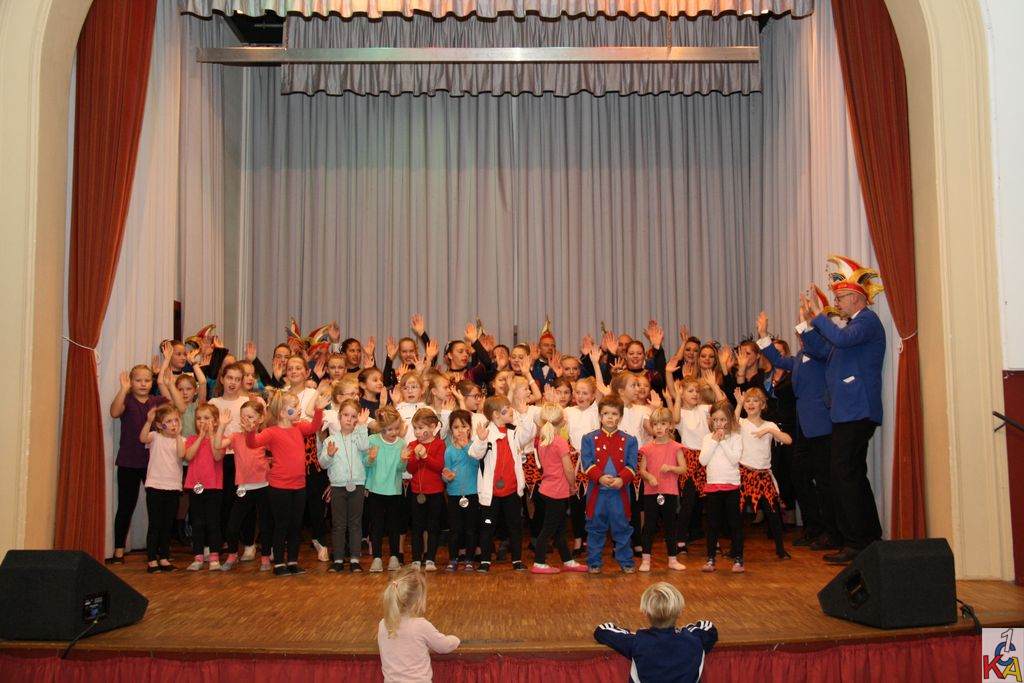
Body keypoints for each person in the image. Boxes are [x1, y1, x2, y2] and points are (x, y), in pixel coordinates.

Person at [805, 254, 886, 564]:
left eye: (840, 297)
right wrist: (807, 324)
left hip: (856, 410)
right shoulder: (852, 328)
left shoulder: (866, 322)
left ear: (856, 297)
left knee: (844, 476)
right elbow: (823, 350)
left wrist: (819, 317)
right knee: (852, 475)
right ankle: (868, 537)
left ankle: (856, 542)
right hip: (847, 411)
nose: (837, 302)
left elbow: (837, 338)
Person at [756, 305, 839, 550]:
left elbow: (815, 346)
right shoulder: (800, 357)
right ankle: (813, 527)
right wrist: (763, 335)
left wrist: (806, 322)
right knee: (800, 477)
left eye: (807, 332)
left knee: (824, 481)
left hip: (821, 425)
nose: (802, 336)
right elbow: (778, 360)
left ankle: (831, 532)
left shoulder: (823, 352)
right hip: (804, 427)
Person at [246, 389, 328, 576]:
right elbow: (253, 443)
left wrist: (319, 410)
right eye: (294, 407)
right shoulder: (271, 432)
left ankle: (292, 561)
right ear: (282, 412)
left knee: (295, 525)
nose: (298, 410)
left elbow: (314, 427)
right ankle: (279, 563)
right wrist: (250, 431)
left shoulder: (298, 427)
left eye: (298, 407)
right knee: (281, 525)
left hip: (299, 485)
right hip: (279, 487)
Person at [594, 582, 718, 683]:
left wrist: (630, 632)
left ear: (645, 612)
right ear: (680, 611)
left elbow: (602, 630)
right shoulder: (695, 639)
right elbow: (708, 627)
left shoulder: (638, 641)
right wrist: (687, 629)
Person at [469, 395, 537, 573]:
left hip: (512, 490)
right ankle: (485, 561)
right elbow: (475, 453)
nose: (512, 411)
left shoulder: (514, 431)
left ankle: (517, 560)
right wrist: (481, 440)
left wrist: (524, 415)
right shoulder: (485, 433)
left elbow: (529, 433)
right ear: (496, 415)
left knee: (515, 526)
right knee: (487, 526)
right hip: (491, 492)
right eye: (507, 410)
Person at [108, 365, 167, 564]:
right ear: (131, 382)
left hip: (153, 463)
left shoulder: (156, 401)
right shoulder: (127, 399)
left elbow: (177, 406)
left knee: (156, 509)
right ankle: (118, 550)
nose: (143, 384)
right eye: (138, 380)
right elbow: (114, 412)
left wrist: (162, 379)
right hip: (128, 461)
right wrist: (123, 389)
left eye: (147, 380)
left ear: (152, 382)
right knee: (126, 506)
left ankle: (157, 551)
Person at [581, 395, 638, 574]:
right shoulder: (589, 439)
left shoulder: (630, 440)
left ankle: (626, 561)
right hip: (597, 493)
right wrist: (599, 477)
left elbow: (632, 465)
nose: (610, 417)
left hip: (619, 493)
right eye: (606, 413)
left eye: (614, 414)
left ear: (620, 417)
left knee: (622, 528)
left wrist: (621, 479)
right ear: (600, 416)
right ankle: (594, 562)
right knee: (595, 528)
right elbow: (587, 463)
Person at [735, 388, 792, 561]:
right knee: (737, 515)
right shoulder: (742, 423)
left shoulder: (770, 425)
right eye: (748, 401)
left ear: (763, 404)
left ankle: (780, 550)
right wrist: (738, 404)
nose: (751, 404)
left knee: (773, 513)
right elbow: (731, 425)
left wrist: (770, 431)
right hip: (744, 474)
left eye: (755, 400)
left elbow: (788, 440)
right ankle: (735, 550)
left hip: (763, 476)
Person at [531, 403, 587, 574]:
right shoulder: (560, 442)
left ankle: (568, 560)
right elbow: (568, 469)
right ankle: (539, 563)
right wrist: (573, 485)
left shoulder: (543, 440)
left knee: (560, 529)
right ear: (561, 421)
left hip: (549, 489)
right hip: (556, 492)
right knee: (549, 529)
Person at [378, 566, 460, 683]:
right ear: (418, 601)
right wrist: (455, 639)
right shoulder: (421, 626)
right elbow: (444, 646)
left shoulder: (383, 624)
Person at [219, 400, 274, 572]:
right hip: (244, 488)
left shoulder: (264, 437)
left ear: (260, 418)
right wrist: (222, 426)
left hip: (264, 485)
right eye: (243, 417)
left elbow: (275, 454)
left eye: (250, 417)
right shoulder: (236, 437)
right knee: (232, 525)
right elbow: (218, 445)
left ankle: (265, 557)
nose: (246, 420)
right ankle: (232, 554)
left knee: (265, 525)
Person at [319, 399, 371, 573]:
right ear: (339, 417)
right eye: (346, 415)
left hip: (357, 485)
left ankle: (355, 559)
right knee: (339, 524)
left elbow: (365, 446)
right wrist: (329, 455)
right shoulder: (330, 440)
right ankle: (338, 559)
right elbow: (323, 464)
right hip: (338, 486)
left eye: (354, 416)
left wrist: (362, 426)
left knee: (355, 523)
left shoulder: (359, 436)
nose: (349, 419)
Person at [638, 407, 688, 572]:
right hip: (651, 493)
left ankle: (672, 560)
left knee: (670, 526)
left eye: (663, 424)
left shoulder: (676, 447)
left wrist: (671, 468)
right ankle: (646, 560)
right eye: (655, 424)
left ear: (670, 425)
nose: (659, 427)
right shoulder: (647, 448)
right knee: (649, 526)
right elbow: (642, 470)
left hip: (669, 492)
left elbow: (683, 468)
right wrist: (649, 477)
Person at [699, 401, 744, 573]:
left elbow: (734, 459)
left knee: (734, 524)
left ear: (730, 420)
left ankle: (738, 558)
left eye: (723, 420)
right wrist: (714, 441)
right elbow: (703, 461)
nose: (719, 423)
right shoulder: (707, 438)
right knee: (712, 525)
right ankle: (711, 558)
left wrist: (723, 441)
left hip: (731, 486)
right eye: (716, 419)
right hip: (713, 486)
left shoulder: (736, 437)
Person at [140, 404, 184, 573]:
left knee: (167, 524)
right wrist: (148, 421)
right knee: (155, 524)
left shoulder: (181, 440)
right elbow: (142, 438)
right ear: (159, 425)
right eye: (169, 421)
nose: (173, 424)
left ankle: (164, 557)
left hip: (173, 487)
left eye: (176, 420)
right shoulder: (155, 437)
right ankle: (152, 559)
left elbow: (181, 454)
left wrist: (178, 435)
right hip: (155, 486)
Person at [365, 406, 408, 572]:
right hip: (376, 490)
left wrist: (403, 460)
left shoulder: (401, 443)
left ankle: (394, 557)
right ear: (382, 428)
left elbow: (401, 469)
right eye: (390, 429)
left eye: (397, 428)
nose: (394, 432)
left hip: (394, 491)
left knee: (394, 526)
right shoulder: (372, 440)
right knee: (376, 525)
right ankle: (376, 557)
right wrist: (371, 458)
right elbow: (366, 464)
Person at [183, 404, 226, 570]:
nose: (202, 421)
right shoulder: (192, 439)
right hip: (196, 487)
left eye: (206, 418)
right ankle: (198, 557)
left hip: (213, 487)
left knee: (213, 523)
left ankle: (214, 556)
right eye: (199, 418)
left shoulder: (220, 439)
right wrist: (200, 438)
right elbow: (188, 456)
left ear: (215, 422)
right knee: (197, 523)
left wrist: (212, 436)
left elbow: (217, 456)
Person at [405, 408, 446, 571]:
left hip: (435, 492)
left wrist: (425, 457)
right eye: (415, 428)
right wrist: (415, 457)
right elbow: (410, 469)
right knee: (417, 527)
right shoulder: (412, 445)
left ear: (433, 426)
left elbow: (439, 467)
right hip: (417, 492)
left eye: (421, 428)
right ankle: (416, 558)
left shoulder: (439, 444)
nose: (417, 432)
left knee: (433, 526)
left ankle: (430, 559)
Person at [442, 410, 479, 572]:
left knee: (471, 529)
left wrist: (465, 447)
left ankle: (469, 559)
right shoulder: (449, 450)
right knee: (455, 530)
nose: (460, 431)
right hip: (454, 495)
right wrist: (447, 477)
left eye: (464, 427)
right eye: (456, 427)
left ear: (470, 428)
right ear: (451, 430)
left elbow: (476, 464)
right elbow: (446, 471)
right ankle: (453, 558)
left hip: (472, 493)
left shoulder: (474, 447)